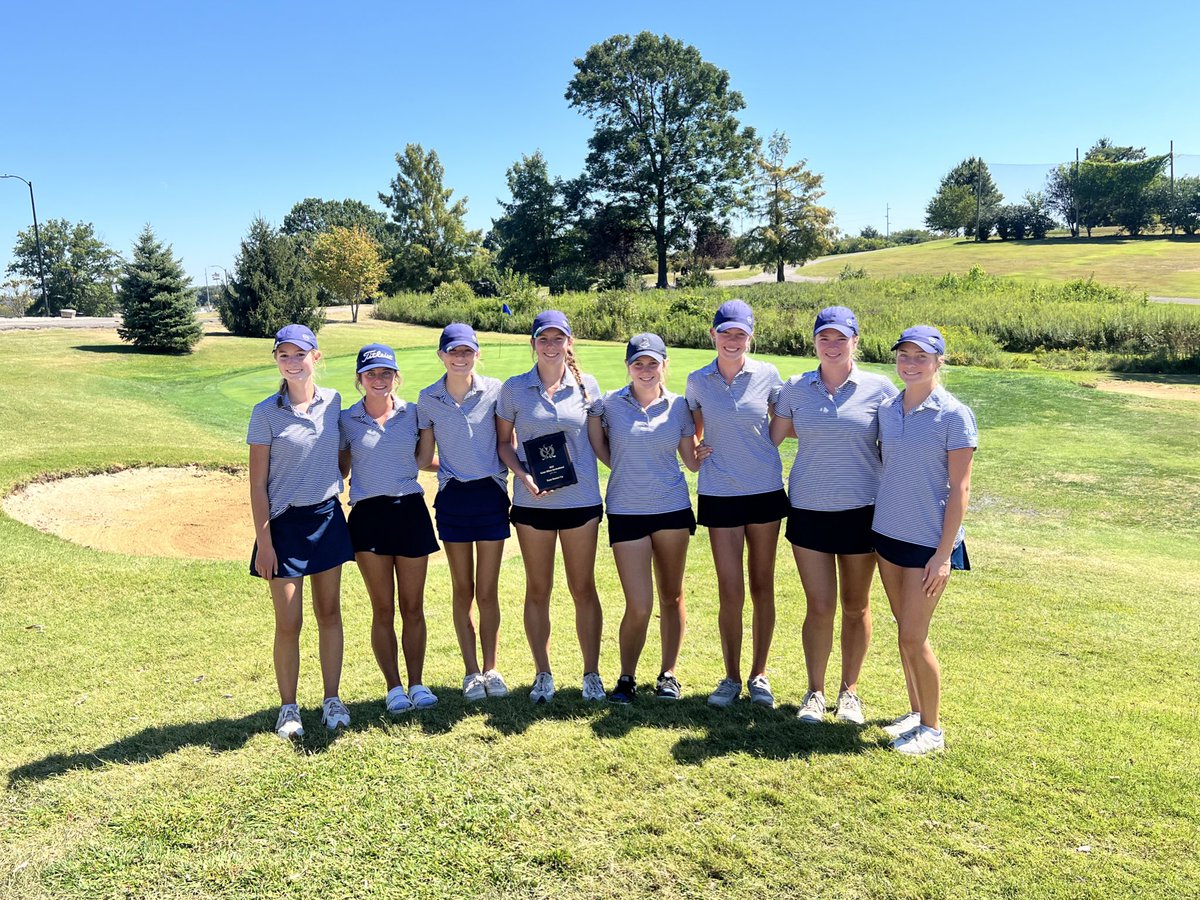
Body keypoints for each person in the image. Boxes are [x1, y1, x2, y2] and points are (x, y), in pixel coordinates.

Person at [771, 307, 899, 725]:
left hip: (863, 511)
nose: (832, 345)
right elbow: (770, 437)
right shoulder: (795, 389)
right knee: (819, 605)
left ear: (855, 342)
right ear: (814, 342)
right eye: (824, 338)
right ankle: (814, 692)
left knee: (856, 606)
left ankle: (850, 691)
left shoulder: (880, 389)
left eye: (840, 338)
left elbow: (898, 445)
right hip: (808, 509)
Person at [871, 325, 976, 756]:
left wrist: (943, 555)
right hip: (887, 533)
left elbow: (961, 489)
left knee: (914, 637)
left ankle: (932, 730)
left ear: (938, 362)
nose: (911, 363)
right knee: (904, 633)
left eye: (921, 357)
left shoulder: (954, 415)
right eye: (904, 355)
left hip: (928, 544)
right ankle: (916, 713)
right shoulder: (888, 409)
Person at [588, 333, 709, 703]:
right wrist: (623, 466)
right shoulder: (609, 404)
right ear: (628, 367)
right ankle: (626, 677)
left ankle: (668, 674)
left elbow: (690, 462)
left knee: (672, 596)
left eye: (652, 363)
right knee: (639, 604)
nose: (645, 370)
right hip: (626, 511)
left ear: (664, 365)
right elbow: (598, 445)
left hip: (672, 510)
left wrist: (706, 450)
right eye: (638, 363)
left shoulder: (679, 406)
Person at [247, 324, 355, 740]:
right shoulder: (265, 413)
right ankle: (288, 708)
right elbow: (257, 485)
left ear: (316, 357)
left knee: (329, 613)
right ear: (277, 360)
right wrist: (265, 543)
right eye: (284, 355)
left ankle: (332, 700)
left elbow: (342, 456)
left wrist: (335, 477)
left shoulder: (334, 402)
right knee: (289, 622)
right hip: (284, 526)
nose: (292, 362)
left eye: (300, 354)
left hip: (326, 518)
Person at [496, 310, 605, 704]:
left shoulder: (587, 386)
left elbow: (599, 443)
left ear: (569, 343)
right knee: (538, 589)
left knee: (583, 588)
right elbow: (503, 443)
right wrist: (523, 475)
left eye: (558, 338)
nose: (551, 345)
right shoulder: (514, 388)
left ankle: (591, 674)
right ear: (533, 344)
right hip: (533, 502)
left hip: (581, 501)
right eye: (543, 339)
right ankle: (542, 673)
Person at [686, 300, 789, 709]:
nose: (732, 340)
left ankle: (759, 674)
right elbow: (692, 431)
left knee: (763, 585)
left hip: (764, 490)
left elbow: (783, 422)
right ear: (713, 334)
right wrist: (696, 450)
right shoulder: (697, 380)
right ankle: (730, 677)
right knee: (730, 590)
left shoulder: (768, 375)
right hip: (719, 493)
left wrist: (763, 446)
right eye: (725, 332)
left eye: (740, 333)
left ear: (750, 337)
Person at [339, 343, 441, 715]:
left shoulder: (413, 413)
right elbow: (341, 469)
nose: (378, 379)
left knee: (413, 607)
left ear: (396, 377)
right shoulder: (346, 420)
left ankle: (417, 683)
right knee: (382, 608)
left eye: (385, 373)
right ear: (360, 378)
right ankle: (394, 687)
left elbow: (424, 459)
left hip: (410, 511)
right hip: (368, 516)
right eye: (371, 374)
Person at [417, 323, 511, 701]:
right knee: (463, 589)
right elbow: (424, 457)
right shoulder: (428, 398)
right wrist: (456, 467)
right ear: (441, 355)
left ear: (477, 354)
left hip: (491, 496)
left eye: (467, 351)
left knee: (487, 591)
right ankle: (471, 672)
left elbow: (507, 442)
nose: (460, 357)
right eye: (453, 351)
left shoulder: (496, 391)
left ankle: (491, 668)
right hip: (454, 499)